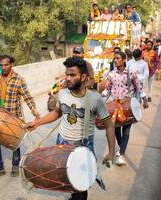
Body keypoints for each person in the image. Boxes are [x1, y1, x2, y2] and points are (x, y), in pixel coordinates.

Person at [25, 56, 115, 200]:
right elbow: (57, 112)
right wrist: (38, 122)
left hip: (83, 144)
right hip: (63, 141)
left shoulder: (95, 99)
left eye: (72, 75)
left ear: (83, 76)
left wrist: (111, 152)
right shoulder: (62, 94)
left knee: (82, 183)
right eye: (67, 74)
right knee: (67, 178)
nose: (67, 78)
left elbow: (109, 126)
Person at [0, 55, 40, 179]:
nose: (4, 67)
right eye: (1, 65)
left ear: (11, 65)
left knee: (14, 142)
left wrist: (35, 111)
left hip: (13, 116)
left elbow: (27, 97)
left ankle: (15, 165)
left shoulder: (18, 79)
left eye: (6, 65)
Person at [102, 51, 148, 165]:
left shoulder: (131, 73)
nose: (115, 60)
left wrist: (145, 99)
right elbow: (107, 90)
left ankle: (120, 154)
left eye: (117, 58)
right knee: (116, 130)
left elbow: (139, 87)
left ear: (124, 60)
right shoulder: (111, 74)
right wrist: (97, 97)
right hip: (115, 106)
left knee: (126, 132)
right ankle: (121, 149)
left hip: (128, 107)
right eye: (114, 59)